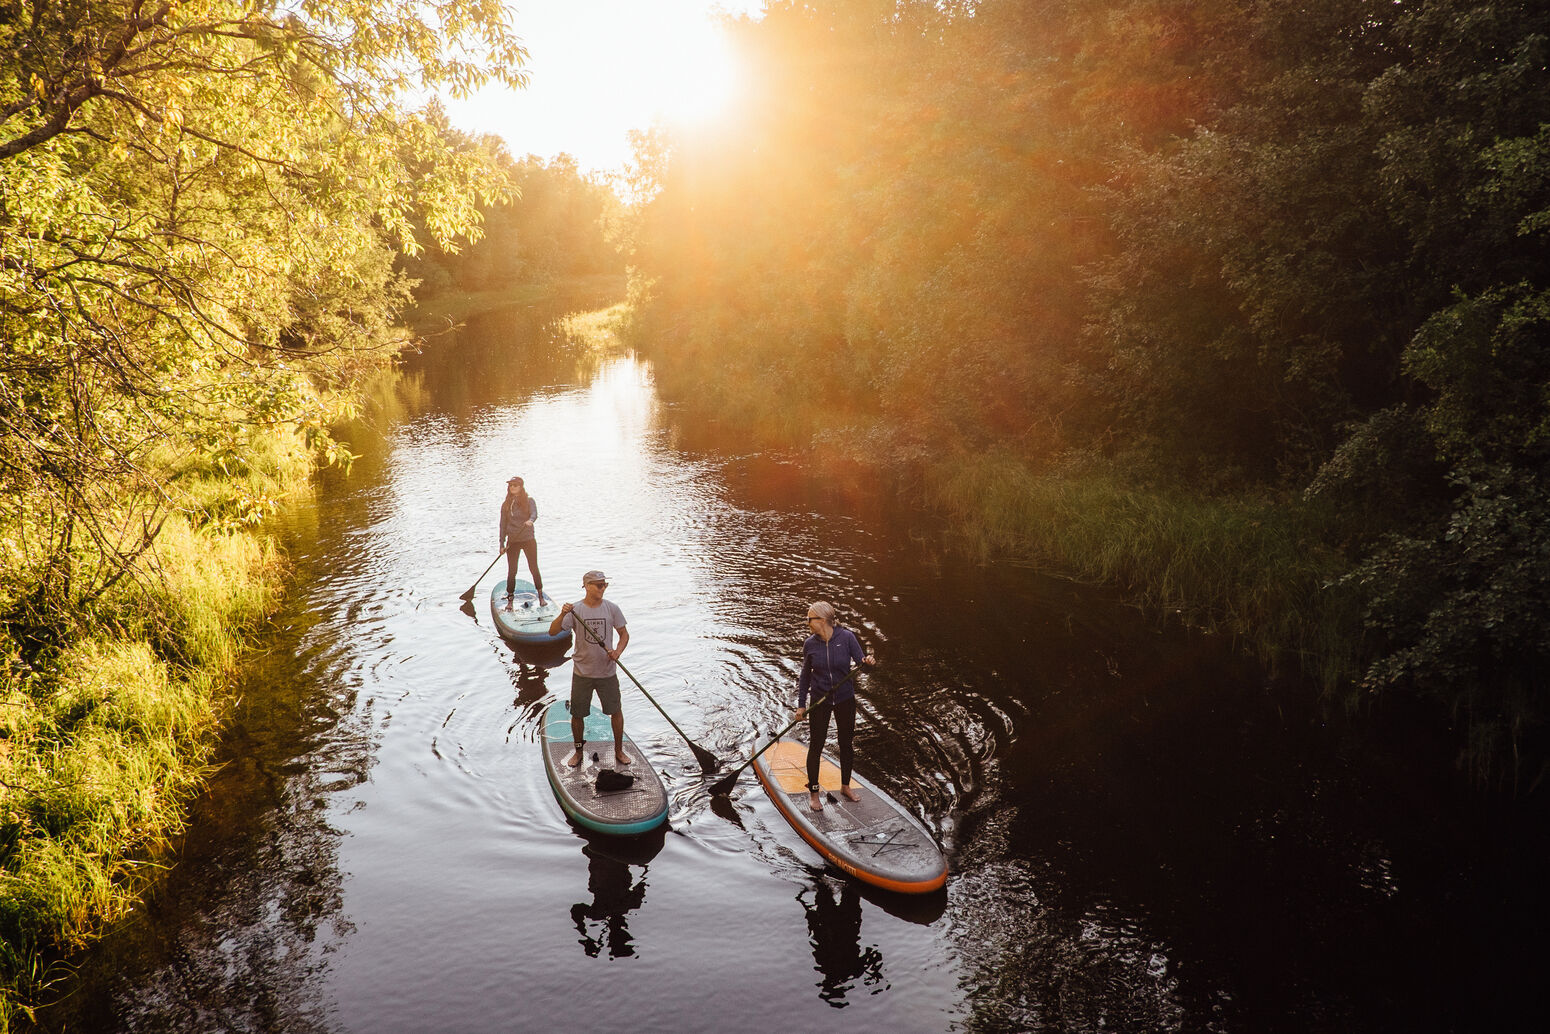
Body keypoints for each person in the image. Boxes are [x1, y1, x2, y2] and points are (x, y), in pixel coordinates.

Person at [793, 601, 875, 812]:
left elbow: (862, 667)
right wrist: (801, 705)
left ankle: (846, 786)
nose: (807, 622)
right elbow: (804, 677)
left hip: (845, 699)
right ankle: (813, 792)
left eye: (810, 618)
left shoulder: (847, 638)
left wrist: (868, 663)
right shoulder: (810, 644)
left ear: (821, 620)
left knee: (846, 743)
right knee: (816, 746)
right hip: (820, 700)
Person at [550, 570, 631, 767]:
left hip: (607, 673)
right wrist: (562, 613)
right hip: (582, 673)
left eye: (604, 585)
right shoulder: (575, 610)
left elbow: (624, 635)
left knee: (616, 711)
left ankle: (619, 750)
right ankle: (578, 751)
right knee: (577, 715)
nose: (603, 588)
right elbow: (552, 632)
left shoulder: (612, 609)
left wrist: (617, 652)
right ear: (586, 586)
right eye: (598, 585)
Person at [499, 475, 544, 609]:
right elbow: (502, 525)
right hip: (512, 541)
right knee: (512, 570)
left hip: (528, 539)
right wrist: (502, 544)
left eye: (515, 485)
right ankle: (510, 600)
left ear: (521, 487)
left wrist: (531, 520)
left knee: (533, 567)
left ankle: (541, 597)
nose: (512, 487)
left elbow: (534, 514)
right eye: (510, 485)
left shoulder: (529, 500)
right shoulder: (506, 504)